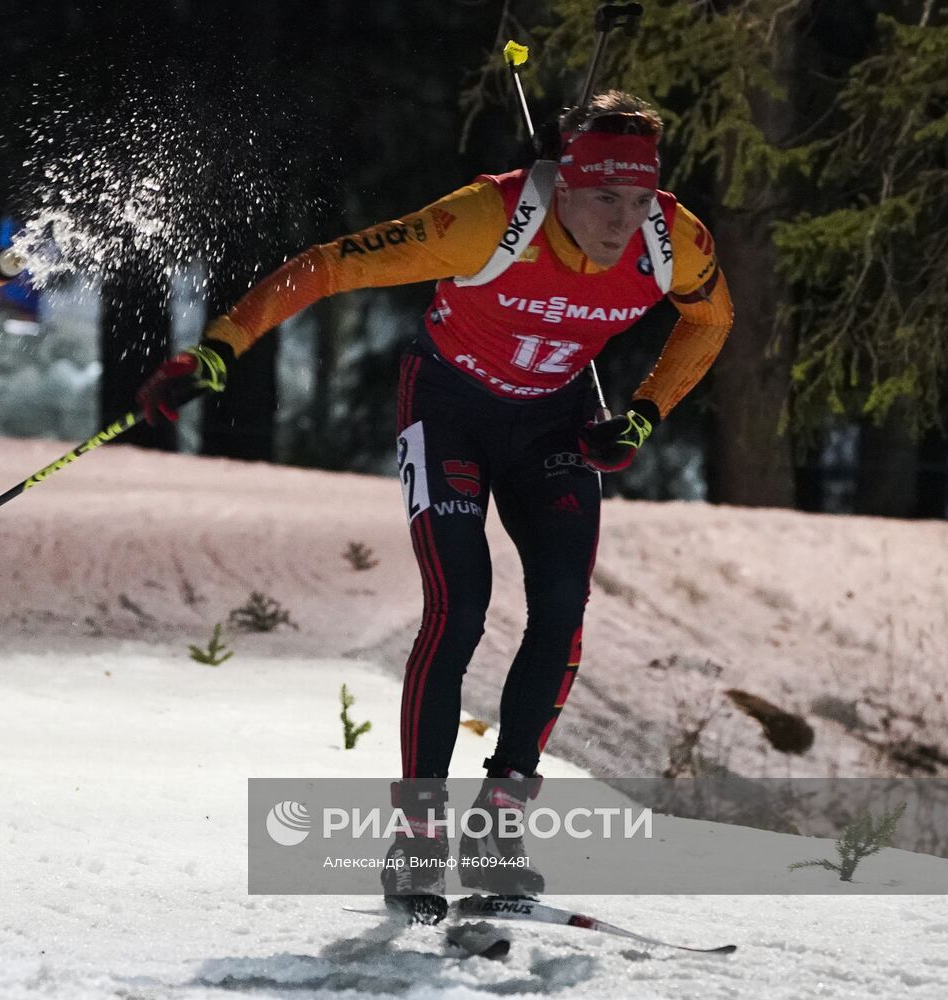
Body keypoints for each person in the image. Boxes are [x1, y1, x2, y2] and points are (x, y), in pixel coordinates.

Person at [135, 91, 734, 923]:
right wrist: (219, 346)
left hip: (551, 421)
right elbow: (331, 262)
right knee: (459, 608)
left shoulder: (674, 240)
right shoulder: (481, 220)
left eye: (637, 201)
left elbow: (712, 318)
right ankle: (417, 840)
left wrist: (642, 412)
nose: (621, 222)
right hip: (446, 408)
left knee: (560, 608)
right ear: (562, 185)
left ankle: (498, 833)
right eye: (603, 198)